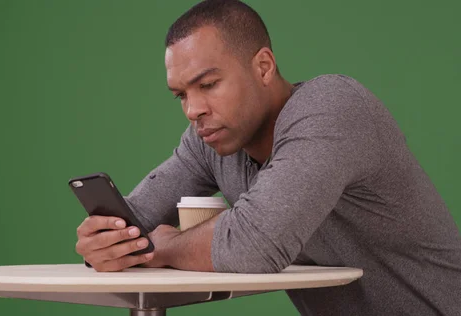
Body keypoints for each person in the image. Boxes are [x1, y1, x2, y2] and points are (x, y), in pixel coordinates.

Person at [74, 0, 461, 315]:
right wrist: (104, 244)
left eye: (208, 85)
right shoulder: (208, 139)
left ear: (263, 67)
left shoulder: (333, 109)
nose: (193, 110)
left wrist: (162, 248)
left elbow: (253, 246)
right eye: (181, 95)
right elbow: (132, 220)